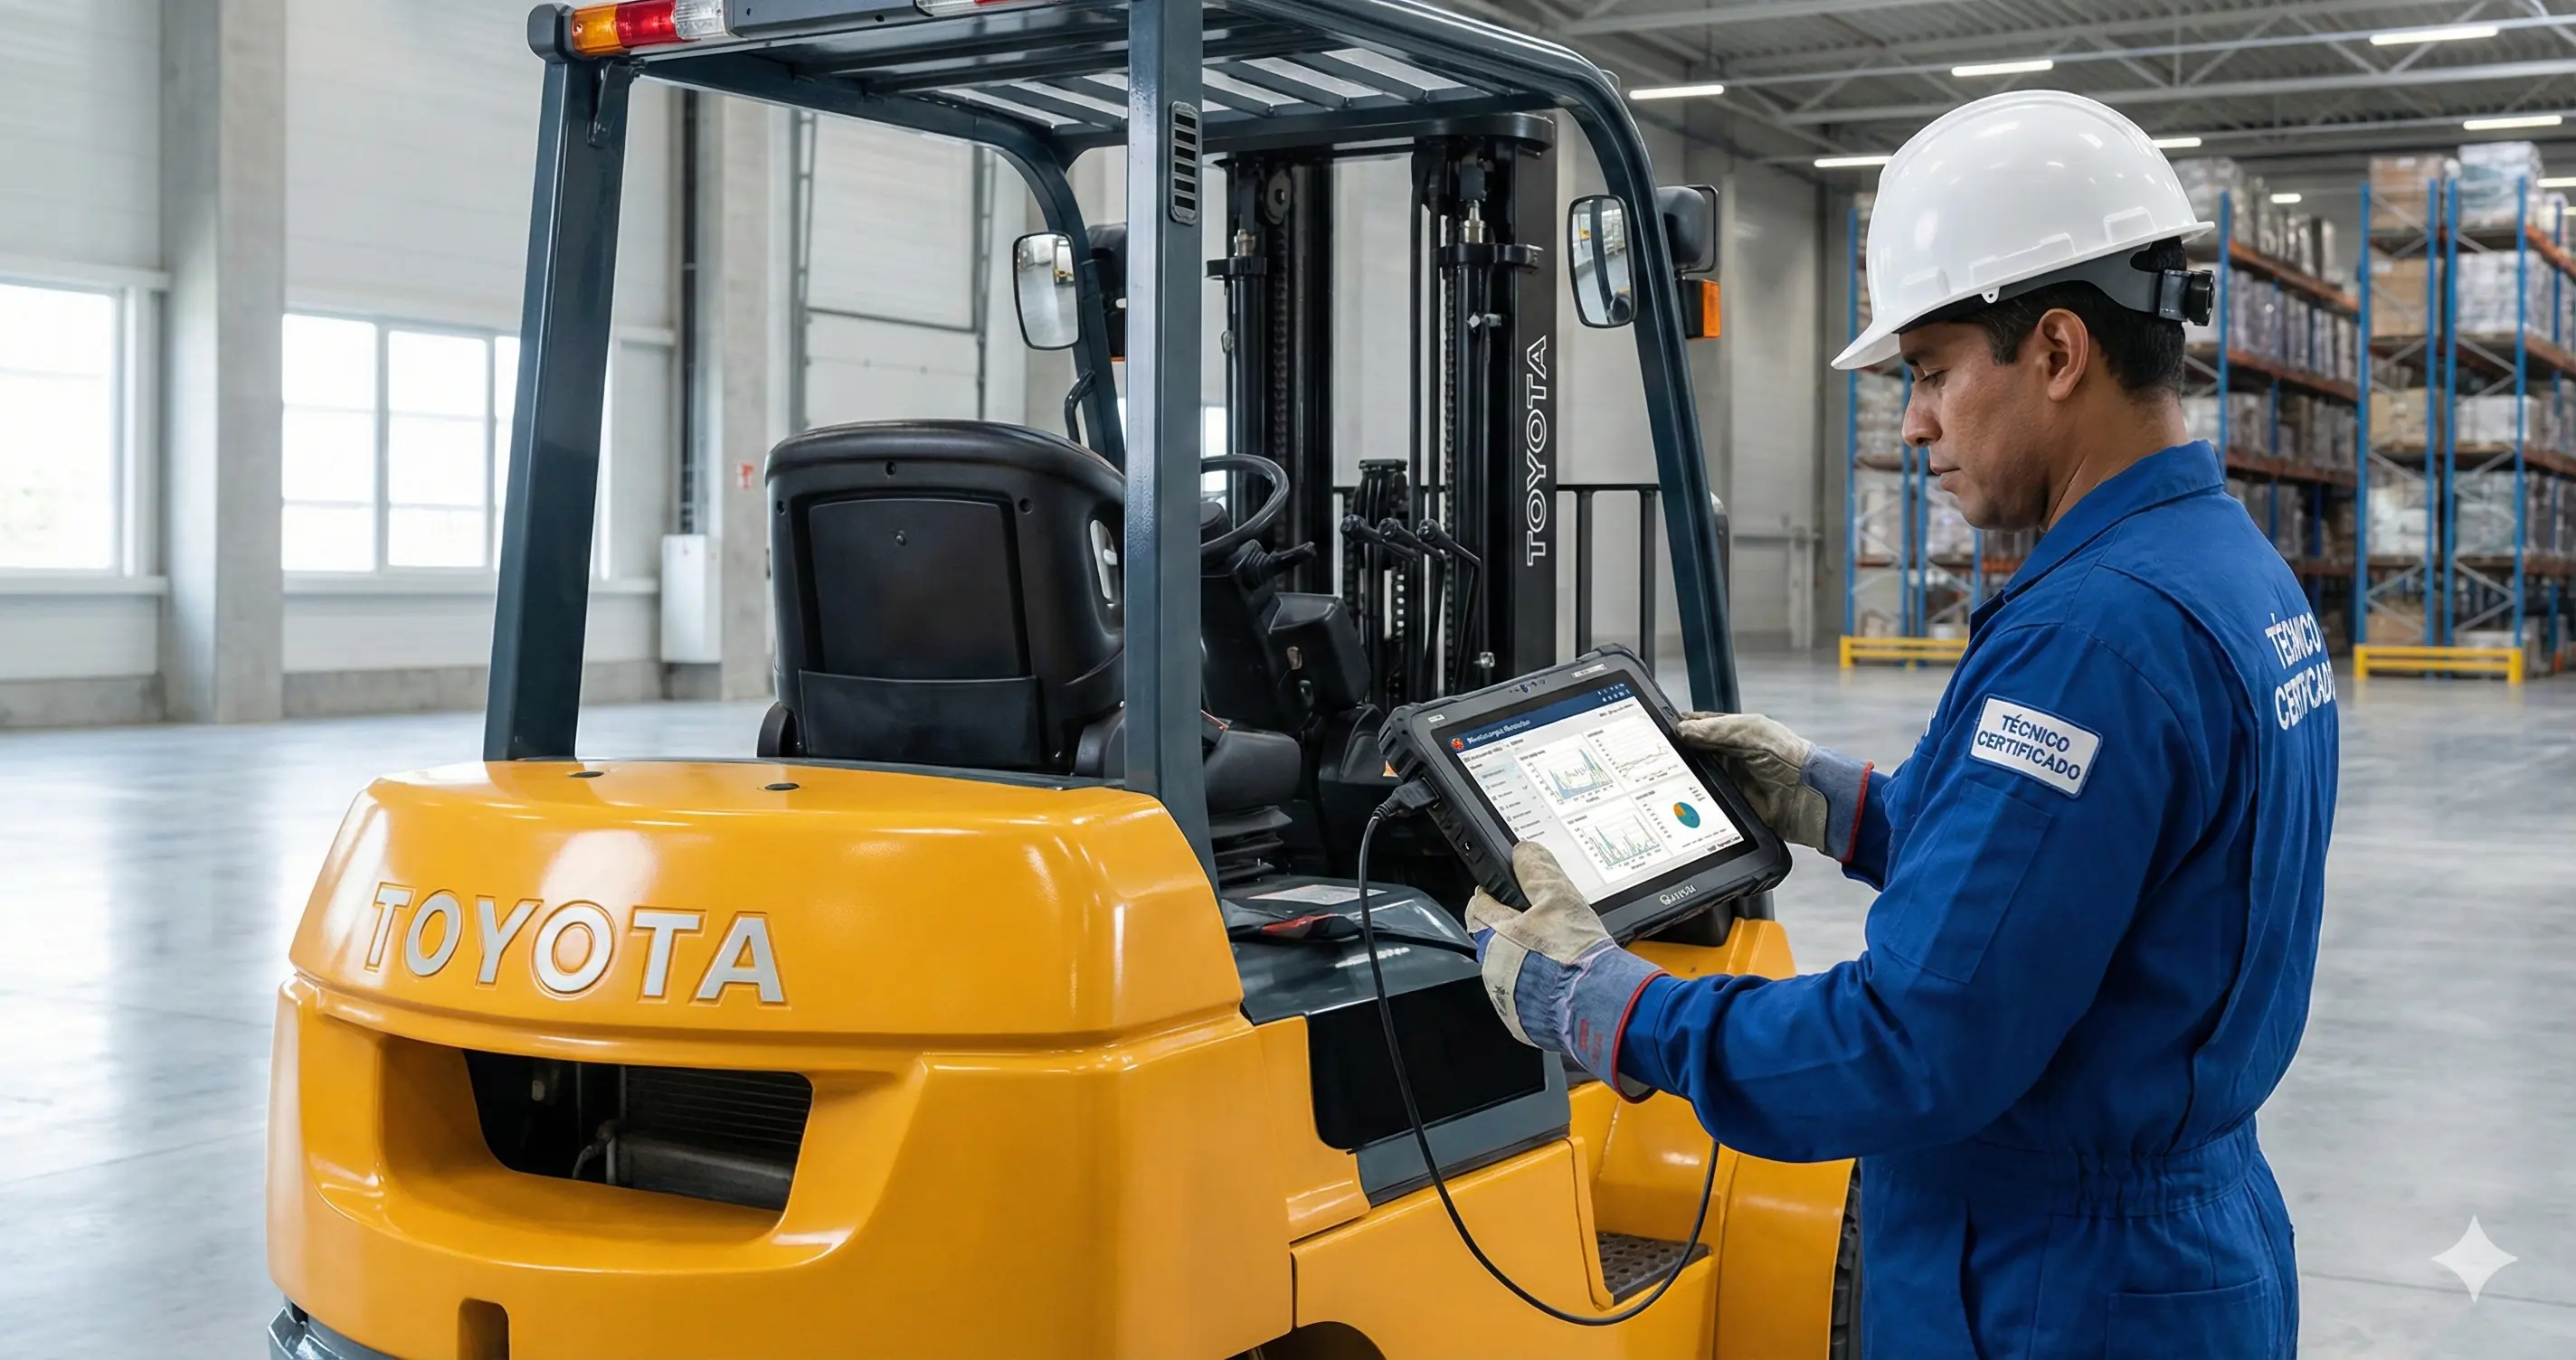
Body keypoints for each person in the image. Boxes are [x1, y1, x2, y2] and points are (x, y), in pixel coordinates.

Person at [1466, 90, 2336, 1357]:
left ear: (2053, 352)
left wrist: (1601, 1005)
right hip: (2181, 1252)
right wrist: (1834, 801)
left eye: (1930, 372)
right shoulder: (2227, 574)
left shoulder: (2093, 635)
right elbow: (2088, 876)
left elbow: (1910, 1046)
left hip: (2053, 1288)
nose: (1914, 418)